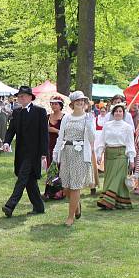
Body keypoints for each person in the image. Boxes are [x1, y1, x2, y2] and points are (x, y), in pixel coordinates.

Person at [1, 86, 49, 217]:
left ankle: (10, 205)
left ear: (30, 97)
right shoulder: (16, 112)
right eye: (19, 96)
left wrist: (44, 153)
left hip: (34, 153)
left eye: (23, 96)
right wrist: (6, 142)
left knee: (22, 178)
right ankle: (39, 207)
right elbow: (11, 130)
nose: (20, 98)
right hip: (21, 152)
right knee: (29, 181)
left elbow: (44, 133)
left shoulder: (40, 112)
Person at [53, 91, 96, 225]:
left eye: (82, 100)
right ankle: (76, 206)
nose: (80, 102)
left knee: (76, 186)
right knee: (66, 187)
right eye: (77, 100)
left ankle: (70, 217)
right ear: (72, 103)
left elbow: (92, 138)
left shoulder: (88, 118)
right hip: (66, 153)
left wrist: (89, 125)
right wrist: (56, 153)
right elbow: (61, 137)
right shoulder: (66, 118)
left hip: (80, 154)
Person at [95, 103, 136, 210]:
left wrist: (131, 159)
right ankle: (118, 202)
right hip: (109, 154)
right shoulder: (107, 125)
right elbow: (102, 141)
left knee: (118, 177)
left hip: (121, 154)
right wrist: (99, 154)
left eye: (120, 111)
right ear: (113, 113)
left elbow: (130, 143)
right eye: (116, 111)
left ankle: (107, 201)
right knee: (109, 178)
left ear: (123, 113)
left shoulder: (127, 127)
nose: (118, 113)